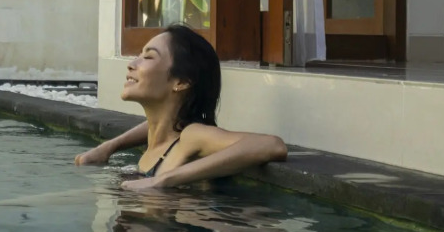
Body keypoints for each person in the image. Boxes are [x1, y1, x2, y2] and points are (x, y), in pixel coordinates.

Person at [75, 24, 288, 190]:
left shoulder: (191, 136)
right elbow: (157, 125)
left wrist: (163, 180)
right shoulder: (160, 136)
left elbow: (272, 145)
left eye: (148, 57)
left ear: (182, 82)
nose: (132, 64)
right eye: (139, 55)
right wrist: (108, 147)